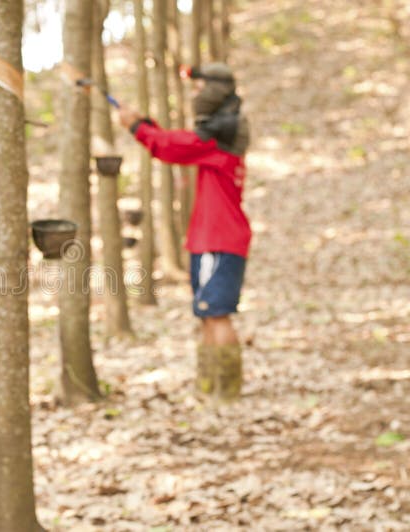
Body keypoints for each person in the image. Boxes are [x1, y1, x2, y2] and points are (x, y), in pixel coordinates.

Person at [118, 63, 251, 401]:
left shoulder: (219, 143)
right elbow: (176, 143)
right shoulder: (218, 141)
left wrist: (136, 126)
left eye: (200, 88)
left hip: (217, 242)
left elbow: (169, 147)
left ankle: (227, 393)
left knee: (216, 316)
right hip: (212, 240)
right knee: (208, 315)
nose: (195, 94)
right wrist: (145, 125)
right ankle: (211, 388)